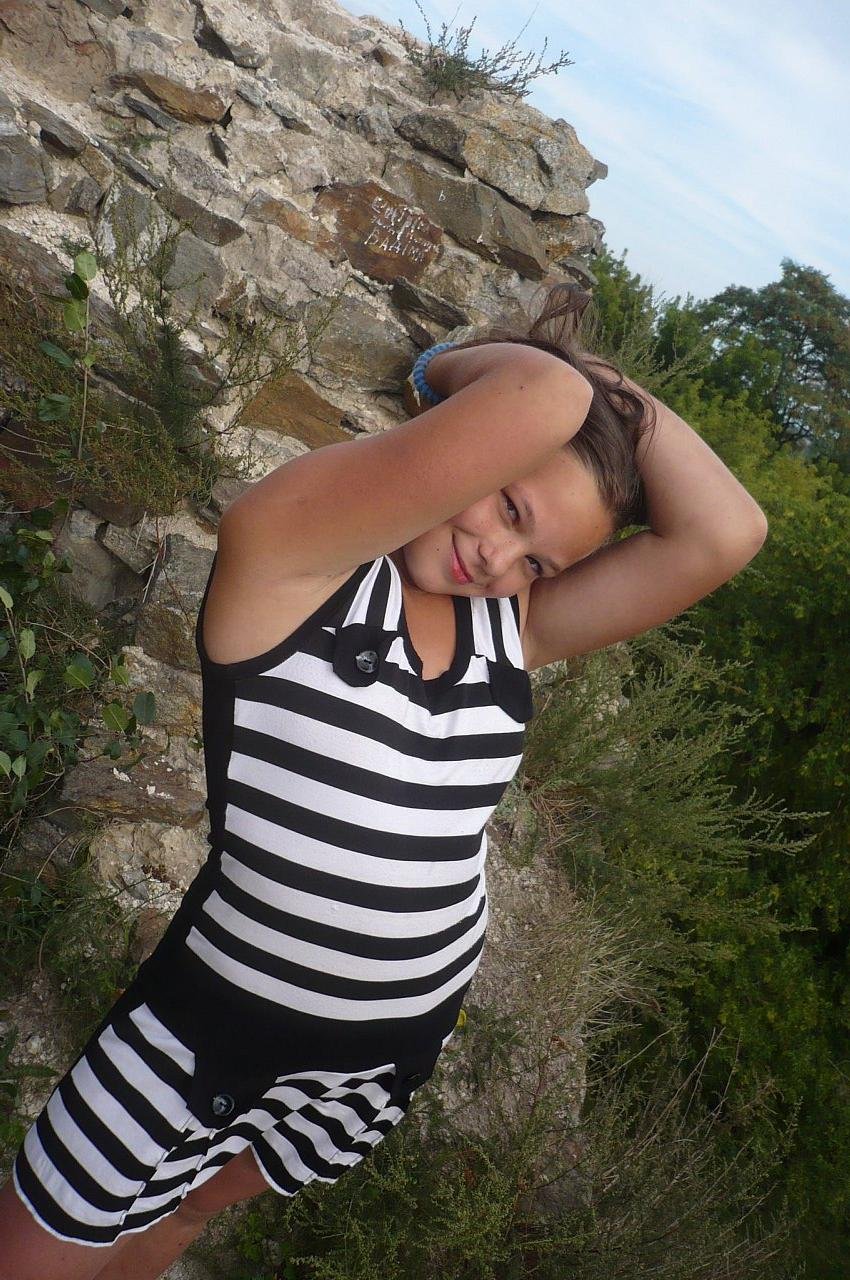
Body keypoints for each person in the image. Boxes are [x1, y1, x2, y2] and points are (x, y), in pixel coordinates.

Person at [0, 284, 768, 1280]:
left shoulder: (512, 628)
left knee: (183, 1214)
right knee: (46, 1240)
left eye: (538, 559)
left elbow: (724, 533)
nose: (499, 557)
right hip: (211, 1020)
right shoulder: (295, 565)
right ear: (468, 446)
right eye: (509, 505)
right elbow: (540, 394)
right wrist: (452, 370)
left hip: (379, 1054)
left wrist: (611, 399)